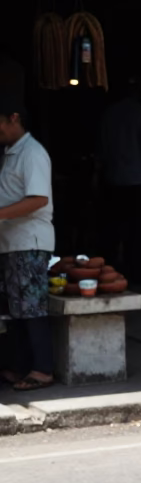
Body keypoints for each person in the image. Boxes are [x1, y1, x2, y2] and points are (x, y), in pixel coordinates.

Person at [0, 56, 54, 391]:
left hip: (30, 243)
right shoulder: (11, 153)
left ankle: (43, 370)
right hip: (12, 243)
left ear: (14, 118)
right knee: (16, 310)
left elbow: (38, 199)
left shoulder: (33, 153)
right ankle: (19, 366)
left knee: (31, 309)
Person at [96, 77, 141, 284]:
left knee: (116, 230)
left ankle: (113, 272)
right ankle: (138, 271)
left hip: (115, 180)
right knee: (140, 232)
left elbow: (102, 149)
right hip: (140, 181)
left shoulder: (109, 114)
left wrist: (98, 174)